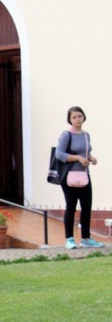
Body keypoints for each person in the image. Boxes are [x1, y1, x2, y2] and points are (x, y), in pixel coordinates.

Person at [55, 106, 104, 249]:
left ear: (84, 117)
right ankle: (69, 238)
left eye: (79, 116)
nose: (77, 119)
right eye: (74, 117)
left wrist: (91, 158)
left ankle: (86, 238)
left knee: (87, 207)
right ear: (69, 120)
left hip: (84, 176)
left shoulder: (86, 135)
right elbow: (59, 154)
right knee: (71, 207)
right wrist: (77, 158)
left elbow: (86, 153)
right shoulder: (66, 135)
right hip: (69, 177)